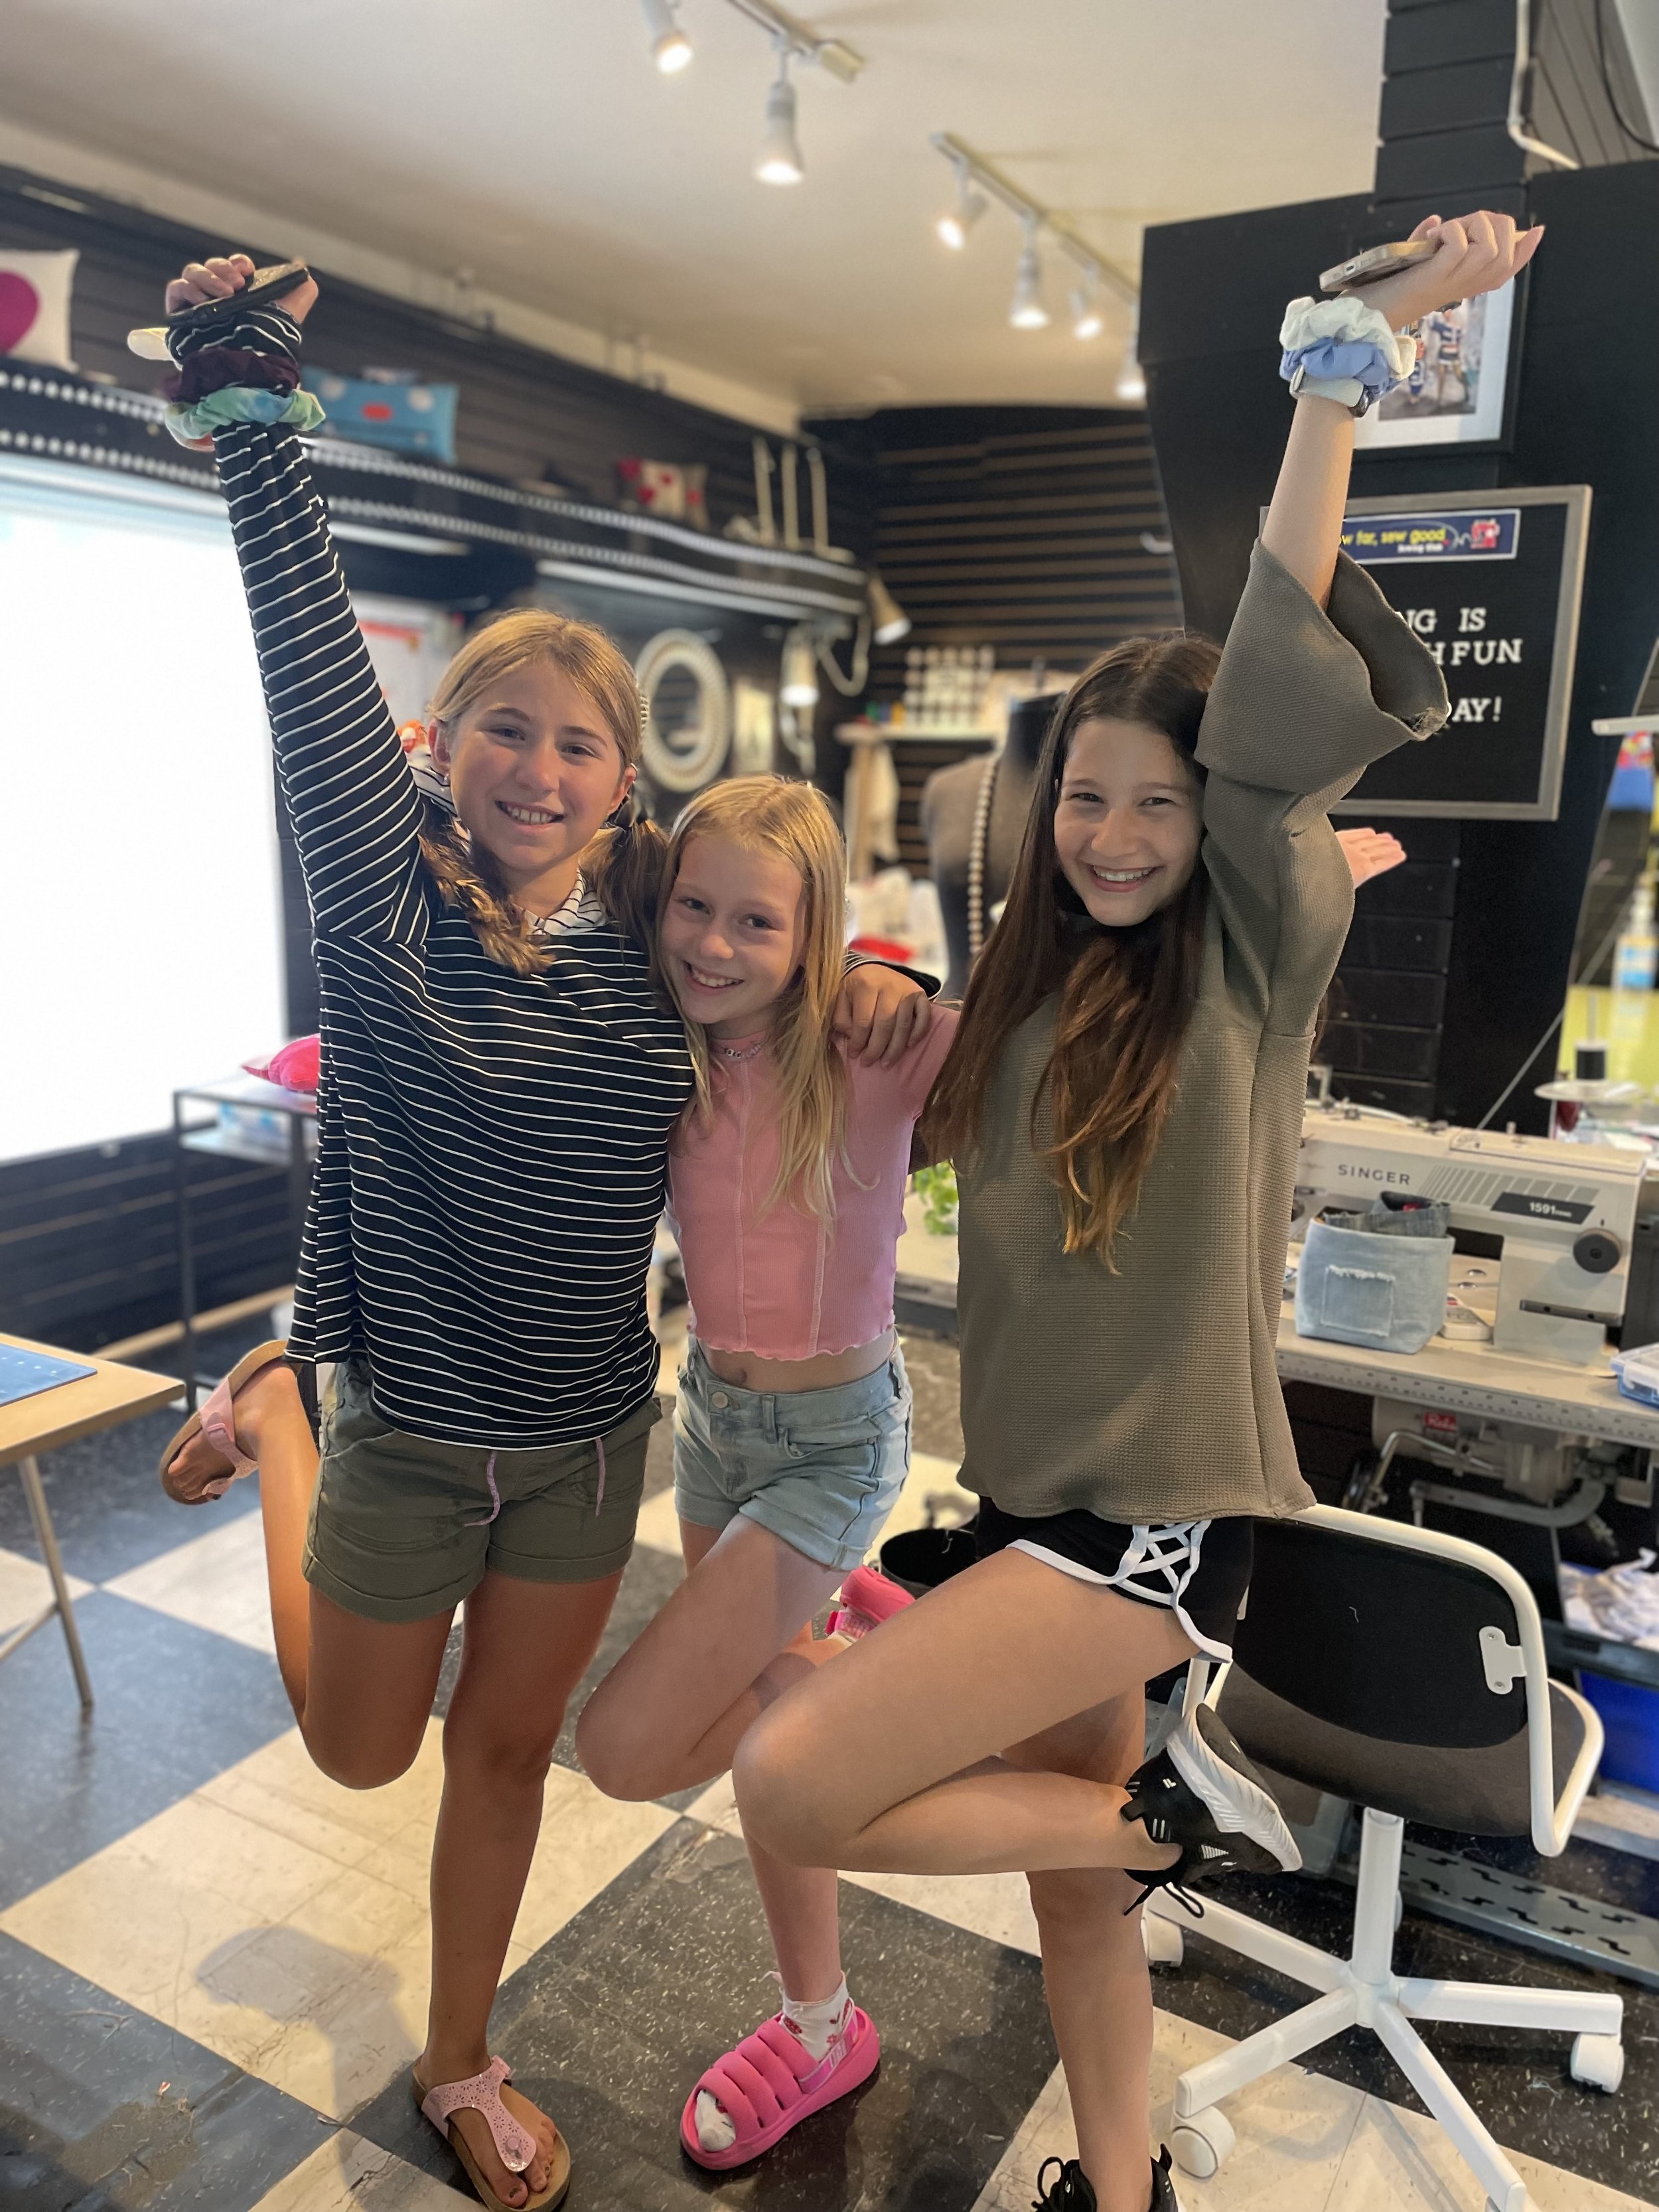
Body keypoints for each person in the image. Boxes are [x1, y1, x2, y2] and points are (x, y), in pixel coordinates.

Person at [727, 210, 1540, 2212]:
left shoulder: (1248, 958)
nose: (1110, 832)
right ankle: (1124, 2179)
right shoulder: (1031, 979)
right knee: (1064, 1884)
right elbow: (919, 1123)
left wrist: (1337, 367)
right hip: (1031, 1498)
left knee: (792, 1777)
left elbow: (1265, 685)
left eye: (1157, 801)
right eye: (1083, 796)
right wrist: (859, 998)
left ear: (1217, 818)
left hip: (1151, 1527)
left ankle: (1175, 1822)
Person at [149, 254, 929, 2212]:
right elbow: (307, 671)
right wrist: (253, 416)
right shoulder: (381, 900)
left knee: (502, 1760)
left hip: (586, 1446)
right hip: (406, 1426)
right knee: (358, 1751)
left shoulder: (658, 937)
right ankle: (278, 1400)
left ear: (619, 784)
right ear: (441, 742)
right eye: (504, 729)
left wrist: (870, 972)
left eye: (579, 746)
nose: (540, 768)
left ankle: (459, 2059)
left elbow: (772, 897)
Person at [572, 776, 956, 2168]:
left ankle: (893, 1673)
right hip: (712, 1426)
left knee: (631, 1748)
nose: (715, 943)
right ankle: (820, 2019)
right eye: (696, 906)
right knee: (762, 1752)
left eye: (758, 921)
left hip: (836, 1442)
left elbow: (1038, 1025)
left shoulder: (867, 1051)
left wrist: (904, 982)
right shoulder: (658, 1042)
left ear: (814, 934)